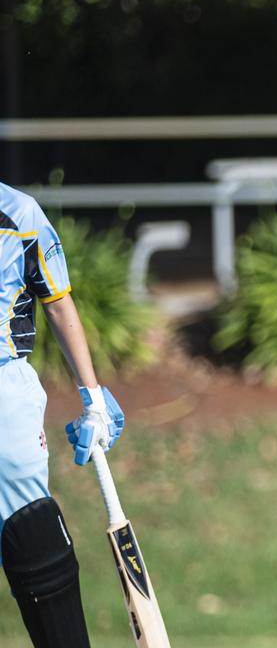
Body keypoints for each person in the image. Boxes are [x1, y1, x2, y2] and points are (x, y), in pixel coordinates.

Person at [1, 181, 126, 648]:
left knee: (32, 534)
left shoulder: (18, 214)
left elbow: (56, 300)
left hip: (5, 400)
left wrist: (92, 396)